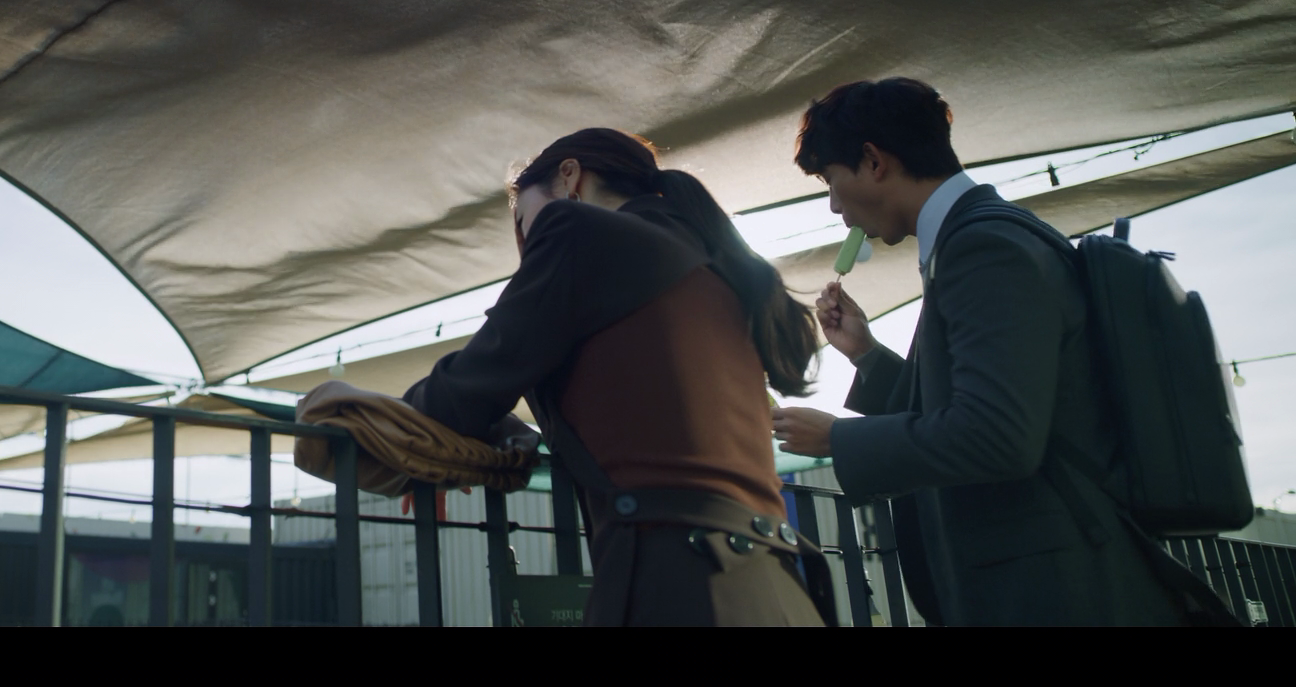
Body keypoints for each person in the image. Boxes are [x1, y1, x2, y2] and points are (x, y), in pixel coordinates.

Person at [770, 78, 1182, 625]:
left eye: (830, 181)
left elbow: (997, 436)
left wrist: (837, 439)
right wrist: (866, 353)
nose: (834, 207)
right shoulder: (982, 238)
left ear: (873, 161)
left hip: (1052, 592)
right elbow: (969, 405)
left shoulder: (983, 247)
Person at [404, 128, 828, 626]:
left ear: (570, 177)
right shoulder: (713, 263)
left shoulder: (577, 230)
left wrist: (401, 431)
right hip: (777, 583)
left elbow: (470, 384)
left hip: (679, 582)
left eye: (522, 222)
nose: (523, 247)